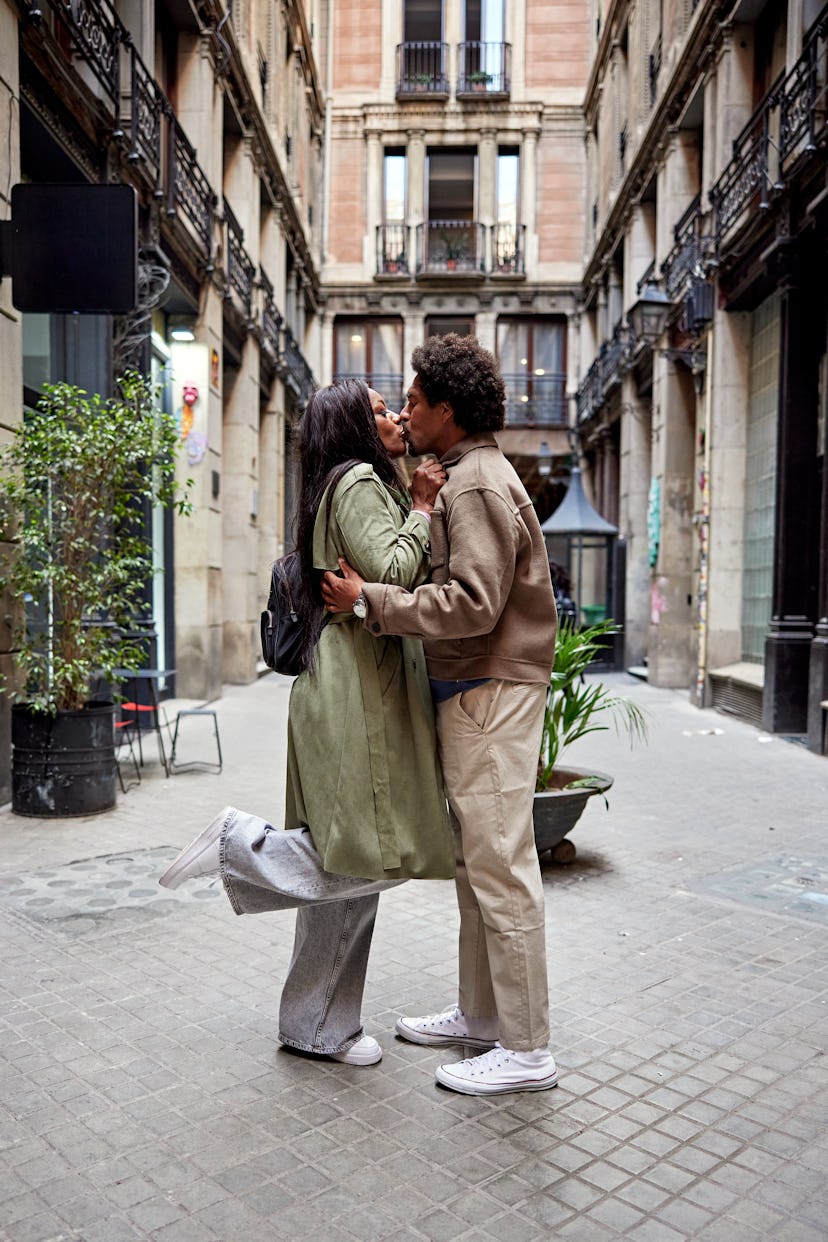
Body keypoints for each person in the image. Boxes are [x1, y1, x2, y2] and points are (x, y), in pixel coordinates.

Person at [159, 379, 453, 1066]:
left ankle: (316, 1024)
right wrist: (421, 506)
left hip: (349, 686)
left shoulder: (340, 484)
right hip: (357, 697)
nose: (395, 416)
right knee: (365, 853)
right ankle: (239, 844)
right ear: (356, 426)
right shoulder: (359, 486)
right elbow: (394, 572)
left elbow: (373, 582)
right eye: (381, 409)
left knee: (354, 853)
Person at [321, 334, 559, 1096]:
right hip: (471, 693)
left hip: (491, 691)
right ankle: (480, 1018)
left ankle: (526, 1051)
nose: (406, 411)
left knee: (500, 870)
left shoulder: (480, 483)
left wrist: (372, 602)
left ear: (448, 412)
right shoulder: (459, 475)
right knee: (474, 866)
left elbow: (475, 604)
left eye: (416, 401)